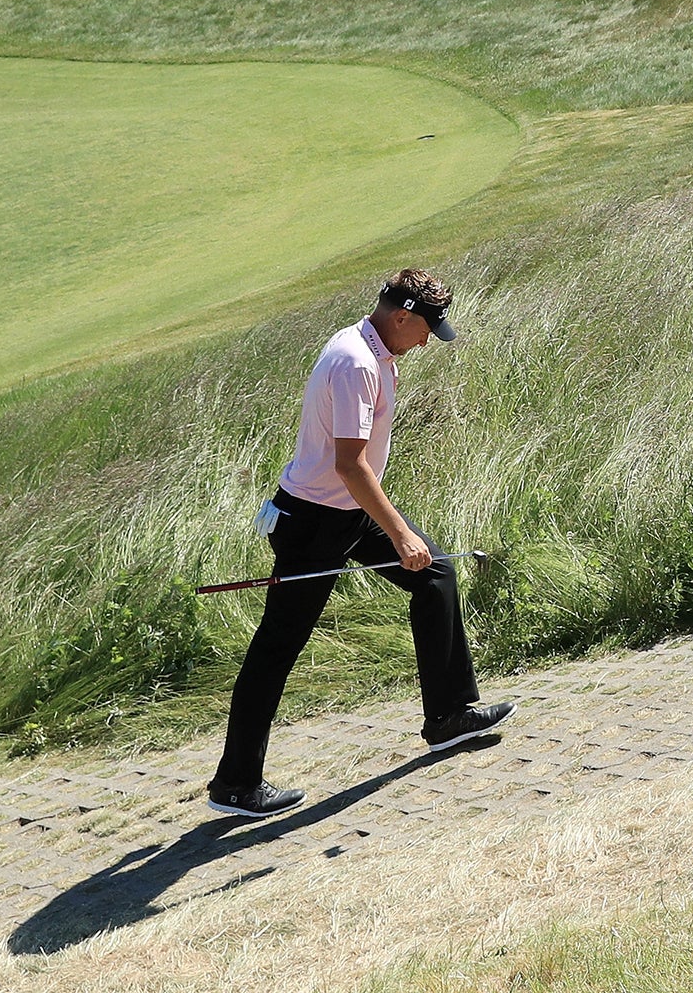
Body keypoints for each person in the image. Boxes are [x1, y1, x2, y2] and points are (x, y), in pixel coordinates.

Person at [206, 270, 513, 820]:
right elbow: (351, 467)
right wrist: (398, 532)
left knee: (436, 573)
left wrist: (397, 532)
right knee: (277, 650)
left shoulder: (372, 350)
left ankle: (447, 717)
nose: (426, 341)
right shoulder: (356, 364)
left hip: (345, 513)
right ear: (401, 317)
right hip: (315, 523)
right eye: (424, 329)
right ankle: (234, 785)